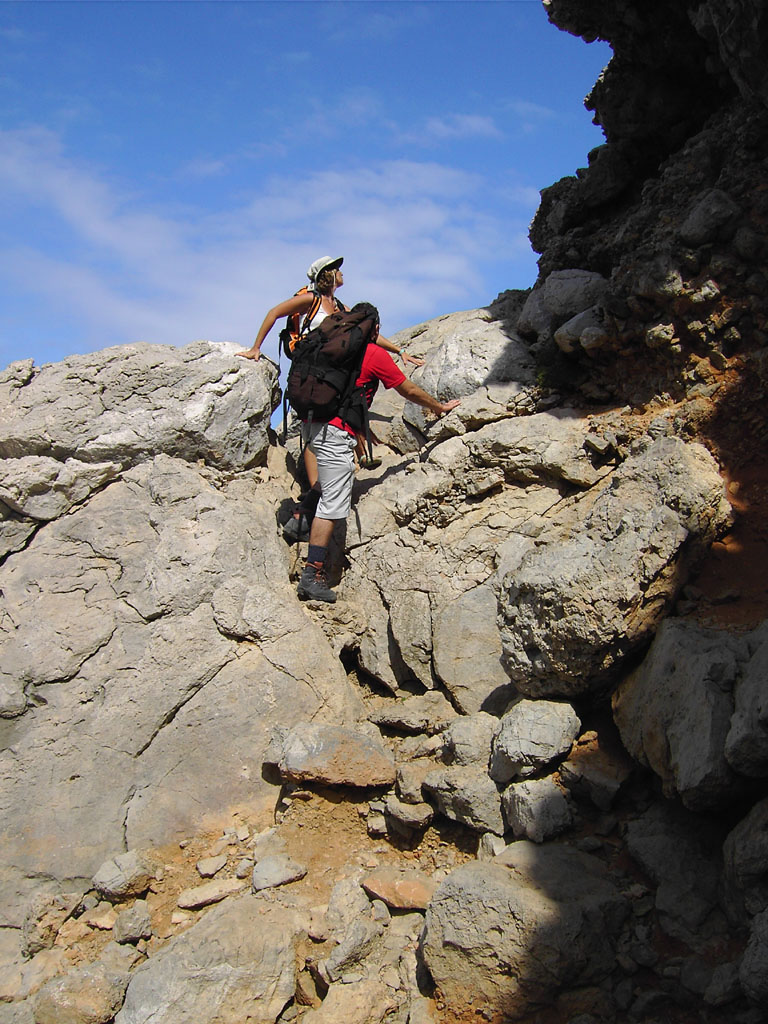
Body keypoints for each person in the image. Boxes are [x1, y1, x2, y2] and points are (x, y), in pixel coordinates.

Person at [237, 256, 424, 537]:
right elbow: (274, 312)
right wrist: (255, 348)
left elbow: (365, 331)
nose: (342, 273)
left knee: (327, 424)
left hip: (332, 376)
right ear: (327, 274)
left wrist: (400, 351)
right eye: (337, 269)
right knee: (314, 429)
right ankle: (311, 502)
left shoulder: (339, 307)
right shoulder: (310, 300)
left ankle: (312, 503)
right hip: (311, 373)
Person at [297, 306, 461, 603]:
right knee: (333, 504)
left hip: (311, 425)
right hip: (334, 432)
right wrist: (438, 407)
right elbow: (407, 390)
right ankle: (312, 575)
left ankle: (297, 519)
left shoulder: (334, 349)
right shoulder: (373, 354)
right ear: (374, 329)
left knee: (333, 481)